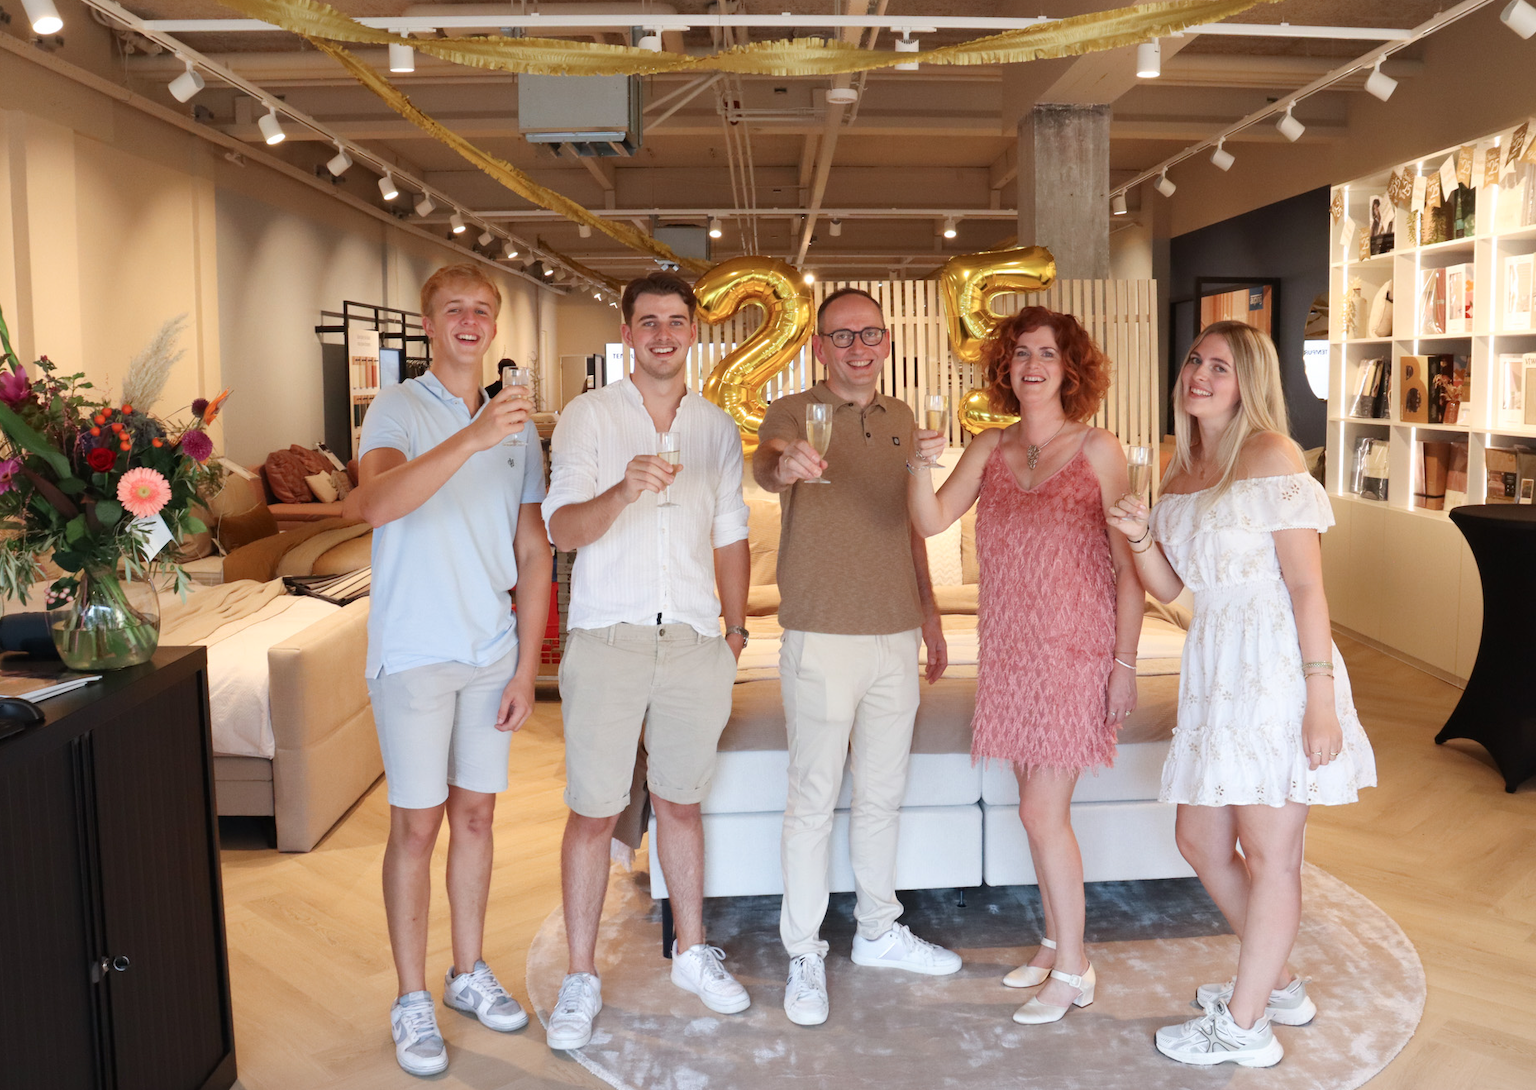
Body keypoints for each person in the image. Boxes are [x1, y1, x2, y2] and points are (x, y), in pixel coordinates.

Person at [1107, 321, 1377, 1069]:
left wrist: (1320, 696)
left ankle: (1246, 1025)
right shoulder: (1181, 465)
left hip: (1276, 667)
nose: (1199, 374)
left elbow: (1307, 586)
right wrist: (1139, 536)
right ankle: (1278, 984)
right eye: (1195, 359)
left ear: (1247, 381)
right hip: (1215, 667)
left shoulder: (1271, 455)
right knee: (1199, 840)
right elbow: (1173, 589)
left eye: (1220, 367)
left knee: (1270, 854)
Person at [344, 263, 551, 1078]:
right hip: (414, 650)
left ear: (495, 326)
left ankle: (466, 973)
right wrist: (473, 435)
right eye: (454, 309)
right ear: (429, 324)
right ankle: (409, 996)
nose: (470, 320)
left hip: (489, 650)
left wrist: (525, 666)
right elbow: (373, 504)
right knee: (416, 826)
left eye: (482, 310)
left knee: (475, 820)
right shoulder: (396, 407)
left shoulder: (518, 423)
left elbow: (533, 549)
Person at [908, 306, 1142, 1025]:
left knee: (1044, 813)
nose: (1031, 365)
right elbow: (930, 520)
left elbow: (1127, 566)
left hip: (1076, 651)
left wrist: (1125, 662)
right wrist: (918, 465)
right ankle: (1052, 942)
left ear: (1070, 368)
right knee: (1031, 811)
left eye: (1046, 353)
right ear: (1004, 369)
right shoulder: (989, 447)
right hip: (1009, 656)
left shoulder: (1100, 449)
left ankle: (1074, 968)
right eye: (1019, 354)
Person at [541, 271, 753, 1050]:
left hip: (695, 640)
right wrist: (624, 489)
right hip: (608, 637)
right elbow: (561, 529)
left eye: (676, 321)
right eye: (649, 321)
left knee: (681, 804)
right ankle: (580, 975)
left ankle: (692, 953)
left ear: (693, 332)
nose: (664, 334)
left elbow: (731, 534)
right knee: (594, 811)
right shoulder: (589, 417)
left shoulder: (716, 428)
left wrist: (735, 634)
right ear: (627, 334)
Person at [753, 286, 956, 1029]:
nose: (858, 347)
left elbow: (910, 527)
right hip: (821, 635)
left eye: (869, 334)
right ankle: (804, 952)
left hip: (895, 635)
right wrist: (785, 464)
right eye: (842, 336)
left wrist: (930, 615)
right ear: (819, 347)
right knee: (811, 800)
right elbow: (766, 464)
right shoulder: (792, 412)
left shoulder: (902, 421)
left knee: (881, 795)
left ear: (887, 343)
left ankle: (877, 930)